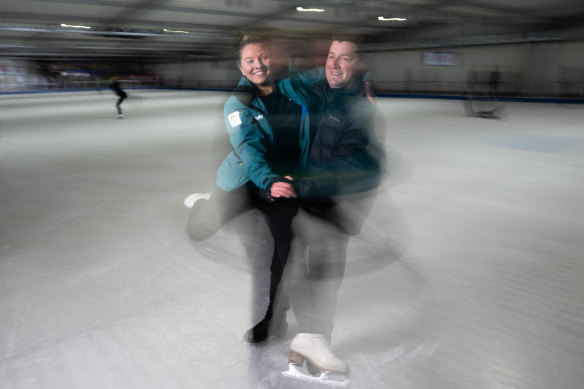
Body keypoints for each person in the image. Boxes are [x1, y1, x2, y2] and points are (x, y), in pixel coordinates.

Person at [185, 35, 323, 343]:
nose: (258, 65)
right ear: (241, 66)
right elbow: (249, 149)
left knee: (286, 256)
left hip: (282, 185)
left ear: (272, 58)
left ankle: (275, 319)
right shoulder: (238, 104)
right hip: (246, 181)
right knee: (199, 230)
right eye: (250, 60)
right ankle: (202, 205)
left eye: (263, 57)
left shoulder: (290, 88)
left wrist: (359, 79)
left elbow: (324, 74)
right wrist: (268, 179)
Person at [274, 35, 385, 385]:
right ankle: (303, 343)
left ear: (359, 65)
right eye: (331, 57)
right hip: (300, 203)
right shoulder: (317, 91)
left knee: (323, 280)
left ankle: (316, 342)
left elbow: (359, 165)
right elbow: (287, 84)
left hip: (333, 207)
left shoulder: (360, 109)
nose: (334, 64)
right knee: (294, 274)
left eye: (345, 58)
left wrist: (304, 179)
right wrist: (323, 71)